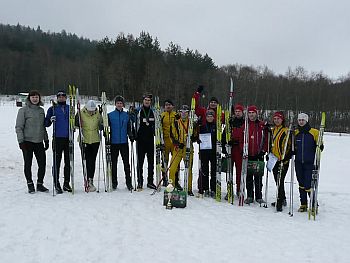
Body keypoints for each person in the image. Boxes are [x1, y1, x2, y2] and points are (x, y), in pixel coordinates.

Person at [15, 90, 49, 193]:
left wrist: (46, 139)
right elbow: (19, 127)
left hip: (39, 141)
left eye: (37, 97)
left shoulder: (41, 111)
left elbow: (43, 127)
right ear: (29, 98)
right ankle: (30, 183)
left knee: (42, 164)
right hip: (27, 142)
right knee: (28, 163)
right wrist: (21, 141)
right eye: (33, 97)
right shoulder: (23, 110)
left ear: (39, 99)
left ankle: (40, 184)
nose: (35, 99)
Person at [294, 113, 323, 212]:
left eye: (303, 120)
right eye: (299, 120)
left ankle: (314, 204)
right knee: (301, 183)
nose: (301, 122)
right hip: (298, 162)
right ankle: (303, 204)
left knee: (308, 184)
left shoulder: (314, 132)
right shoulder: (296, 132)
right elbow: (293, 146)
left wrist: (320, 145)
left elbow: (320, 145)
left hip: (309, 163)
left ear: (306, 121)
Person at [45, 91, 72, 194]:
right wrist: (51, 120)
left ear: (66, 98)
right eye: (59, 96)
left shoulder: (70, 108)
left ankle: (66, 183)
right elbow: (46, 123)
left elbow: (76, 121)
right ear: (57, 98)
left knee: (68, 162)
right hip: (57, 138)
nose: (61, 98)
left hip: (68, 138)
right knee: (57, 161)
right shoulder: (52, 109)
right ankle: (56, 183)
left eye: (63, 96)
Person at [108, 95, 134, 191]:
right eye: (118, 103)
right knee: (113, 163)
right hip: (114, 142)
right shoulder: (110, 115)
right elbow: (105, 127)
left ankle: (129, 182)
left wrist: (131, 135)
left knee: (126, 164)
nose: (119, 104)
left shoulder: (126, 115)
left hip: (124, 142)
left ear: (123, 104)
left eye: (121, 103)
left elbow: (129, 127)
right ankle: (114, 183)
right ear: (115, 104)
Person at [169, 105, 196, 196]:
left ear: (188, 113)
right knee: (172, 169)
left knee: (188, 169)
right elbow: (171, 135)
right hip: (178, 149)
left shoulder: (192, 123)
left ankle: (189, 188)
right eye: (182, 112)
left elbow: (195, 136)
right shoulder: (176, 122)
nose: (183, 113)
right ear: (180, 112)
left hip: (188, 149)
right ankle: (171, 186)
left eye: (186, 112)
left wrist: (193, 137)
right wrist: (177, 143)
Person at [76, 100, 103, 192]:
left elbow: (101, 123)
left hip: (95, 140)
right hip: (84, 140)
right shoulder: (81, 113)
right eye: (89, 110)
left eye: (93, 110)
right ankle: (87, 179)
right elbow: (75, 125)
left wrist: (102, 125)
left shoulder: (97, 113)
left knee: (92, 161)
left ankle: (91, 179)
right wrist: (77, 123)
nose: (91, 112)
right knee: (87, 160)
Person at [244, 105, 268, 204]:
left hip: (258, 154)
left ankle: (259, 196)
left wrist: (263, 150)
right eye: (249, 113)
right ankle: (250, 195)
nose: (251, 115)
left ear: (256, 113)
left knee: (258, 177)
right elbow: (242, 138)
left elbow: (266, 139)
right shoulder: (245, 125)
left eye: (253, 113)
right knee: (249, 176)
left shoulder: (261, 125)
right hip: (248, 154)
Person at [269, 111, 292, 212]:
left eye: (278, 118)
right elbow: (271, 144)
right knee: (277, 180)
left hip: (283, 160)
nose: (276, 120)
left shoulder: (286, 131)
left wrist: (286, 158)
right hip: (274, 160)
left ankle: (279, 202)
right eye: (275, 119)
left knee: (280, 180)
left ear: (282, 120)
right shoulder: (272, 130)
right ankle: (283, 199)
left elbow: (290, 146)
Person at [134, 94, 157, 190]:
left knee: (151, 162)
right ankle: (140, 181)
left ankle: (150, 182)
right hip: (140, 140)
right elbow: (132, 120)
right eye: (145, 100)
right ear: (143, 101)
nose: (147, 101)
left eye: (149, 100)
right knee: (140, 162)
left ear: (150, 102)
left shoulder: (153, 111)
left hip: (150, 140)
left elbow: (157, 124)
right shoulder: (138, 111)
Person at [161, 99, 181, 188]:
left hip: (174, 142)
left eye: (169, 105)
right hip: (165, 141)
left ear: (173, 106)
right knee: (164, 161)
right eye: (166, 105)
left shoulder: (176, 115)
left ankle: (175, 180)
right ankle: (164, 179)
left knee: (175, 162)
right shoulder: (162, 115)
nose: (168, 106)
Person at [198, 110, 217, 197]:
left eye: (211, 116)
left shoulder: (216, 126)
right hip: (204, 151)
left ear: (214, 117)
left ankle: (213, 188)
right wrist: (198, 139)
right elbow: (196, 135)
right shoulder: (202, 126)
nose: (210, 118)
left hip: (214, 152)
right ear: (206, 117)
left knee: (214, 171)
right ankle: (204, 187)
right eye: (208, 116)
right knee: (204, 170)